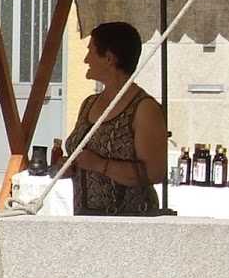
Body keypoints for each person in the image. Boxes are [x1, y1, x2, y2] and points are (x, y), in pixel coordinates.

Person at [50, 22, 166, 216]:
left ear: (109, 58)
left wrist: (100, 164)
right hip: (86, 218)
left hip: (128, 221)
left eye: (91, 52)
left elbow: (154, 173)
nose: (86, 59)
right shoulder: (89, 104)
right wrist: (69, 166)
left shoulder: (144, 108)